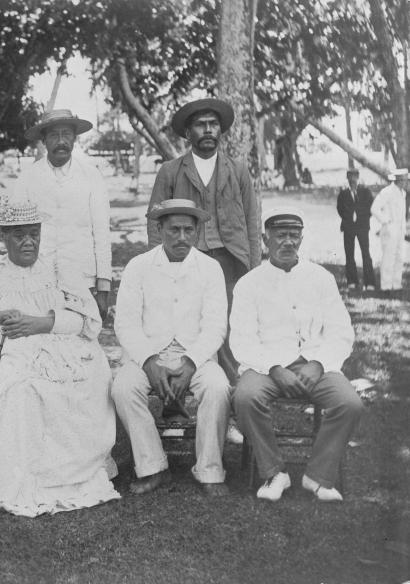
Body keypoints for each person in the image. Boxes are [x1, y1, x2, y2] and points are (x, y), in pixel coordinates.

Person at [0, 196, 120, 517]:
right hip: (6, 349)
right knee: (18, 386)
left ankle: (65, 473)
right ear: (4, 236)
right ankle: (17, 475)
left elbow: (87, 322)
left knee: (87, 378)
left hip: (59, 343)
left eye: (34, 234)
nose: (28, 241)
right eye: (19, 235)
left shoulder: (58, 270)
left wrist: (42, 322)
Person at [231, 207, 363, 502]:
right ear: (266, 240)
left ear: (302, 239)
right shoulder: (249, 284)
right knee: (245, 398)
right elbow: (241, 339)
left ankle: (317, 476)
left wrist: (319, 364)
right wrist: (274, 367)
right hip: (266, 367)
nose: (287, 242)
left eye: (294, 236)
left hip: (315, 365)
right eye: (280, 236)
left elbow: (341, 331)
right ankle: (275, 472)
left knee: (350, 403)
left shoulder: (321, 278)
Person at [111, 199, 231, 496]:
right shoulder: (138, 267)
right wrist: (149, 361)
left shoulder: (210, 268)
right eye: (173, 229)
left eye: (188, 230)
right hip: (148, 354)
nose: (181, 237)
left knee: (217, 387)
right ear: (159, 229)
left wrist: (190, 363)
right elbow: (125, 323)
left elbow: (216, 326)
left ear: (197, 231)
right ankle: (152, 466)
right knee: (123, 388)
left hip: (197, 356)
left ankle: (209, 469)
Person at [147, 98, 261, 301]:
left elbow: (252, 221)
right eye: (200, 125)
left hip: (230, 259)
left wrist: (254, 269)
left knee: (227, 319)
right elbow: (155, 222)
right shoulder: (170, 171)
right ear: (188, 133)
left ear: (221, 130)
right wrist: (159, 266)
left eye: (213, 124)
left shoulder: (238, 170)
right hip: (186, 258)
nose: (208, 130)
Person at [13, 109, 111, 318]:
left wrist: (103, 287)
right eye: (53, 135)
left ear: (74, 139)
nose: (61, 141)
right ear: (44, 140)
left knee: (81, 338)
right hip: (37, 277)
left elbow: (102, 233)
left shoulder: (91, 176)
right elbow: (16, 233)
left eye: (66, 134)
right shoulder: (28, 178)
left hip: (81, 277)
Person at [336, 168, 376, 291]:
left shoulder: (365, 191)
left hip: (362, 227)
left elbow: (371, 207)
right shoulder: (343, 193)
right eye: (350, 177)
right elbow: (340, 208)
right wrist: (349, 218)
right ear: (347, 178)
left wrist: (360, 218)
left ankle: (369, 283)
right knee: (349, 254)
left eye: (354, 177)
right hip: (348, 227)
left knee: (366, 253)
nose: (352, 180)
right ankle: (352, 281)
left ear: (358, 177)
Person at [371, 168, 407, 292]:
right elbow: (374, 208)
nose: (406, 182)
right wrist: (386, 221)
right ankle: (385, 285)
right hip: (389, 229)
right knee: (388, 257)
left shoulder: (403, 193)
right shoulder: (387, 192)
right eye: (404, 180)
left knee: (399, 257)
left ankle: (396, 284)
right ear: (398, 180)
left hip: (400, 230)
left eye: (406, 179)